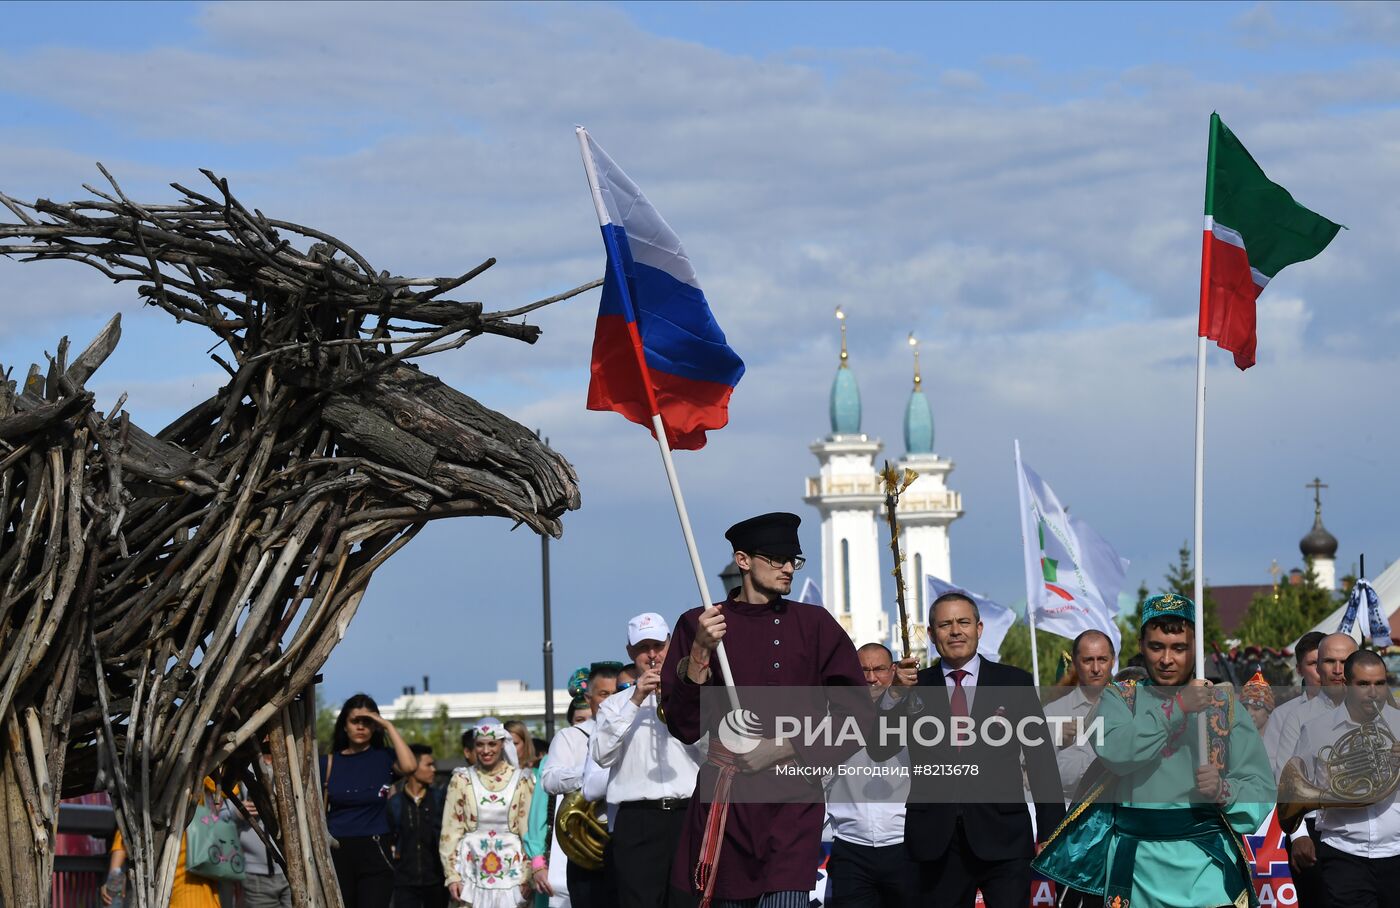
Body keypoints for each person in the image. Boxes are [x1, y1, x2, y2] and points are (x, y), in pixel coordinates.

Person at [660, 511, 869, 908]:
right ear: (743, 561)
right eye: (777, 559)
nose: (789, 568)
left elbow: (857, 716)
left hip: (793, 804)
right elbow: (684, 726)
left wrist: (783, 747)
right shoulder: (698, 623)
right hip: (725, 806)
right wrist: (701, 651)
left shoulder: (815, 624)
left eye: (794, 560)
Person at [1032, 594, 1275, 908]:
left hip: (1208, 872)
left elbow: (1261, 789)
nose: (1166, 659)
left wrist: (1224, 789)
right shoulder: (1119, 698)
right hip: (1135, 874)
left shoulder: (1225, 704)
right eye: (1156, 647)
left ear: (1195, 647)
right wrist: (1179, 707)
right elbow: (1118, 753)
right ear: (1141, 644)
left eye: (1179, 648)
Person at [875, 591, 1064, 908]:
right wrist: (894, 697)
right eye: (945, 624)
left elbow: (1041, 760)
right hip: (934, 842)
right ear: (932, 635)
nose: (955, 631)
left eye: (963, 622)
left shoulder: (1014, 683)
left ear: (979, 628)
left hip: (1004, 837)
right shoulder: (913, 687)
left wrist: (1051, 830)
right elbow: (881, 748)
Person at [586, 612, 703, 908]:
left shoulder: (693, 696)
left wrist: (683, 703)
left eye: (658, 646)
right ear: (630, 653)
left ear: (671, 644)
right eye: (642, 648)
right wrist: (635, 701)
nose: (651, 655)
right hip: (637, 820)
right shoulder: (614, 706)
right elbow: (601, 755)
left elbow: (712, 752)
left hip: (687, 814)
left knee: (690, 901)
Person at [1286, 650, 1400, 907]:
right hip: (1344, 852)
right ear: (1347, 685)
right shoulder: (1316, 730)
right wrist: (1298, 836)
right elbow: (1295, 787)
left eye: (1380, 683)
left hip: (1397, 850)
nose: (1373, 692)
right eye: (1363, 684)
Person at [825, 642, 916, 908]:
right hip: (850, 848)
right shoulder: (832, 717)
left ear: (895, 670)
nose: (871, 678)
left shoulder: (918, 714)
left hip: (906, 845)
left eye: (879, 669)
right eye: (862, 670)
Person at [1272, 631, 1358, 898]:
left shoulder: (1378, 712)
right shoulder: (1297, 717)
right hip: (1313, 834)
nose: (1337, 670)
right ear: (1318, 666)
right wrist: (1298, 836)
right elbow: (1285, 782)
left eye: (1344, 662)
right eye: (1328, 661)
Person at [321, 693, 419, 908]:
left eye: (367, 722)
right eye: (355, 721)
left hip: (376, 848)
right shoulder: (328, 763)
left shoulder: (384, 757)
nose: (361, 727)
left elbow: (411, 766)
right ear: (344, 725)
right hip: (339, 850)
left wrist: (388, 726)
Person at [541, 664, 621, 908]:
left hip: (625, 842)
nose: (610, 700)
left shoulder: (633, 730)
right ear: (589, 698)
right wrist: (588, 776)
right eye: (603, 694)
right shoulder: (571, 737)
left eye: (616, 693)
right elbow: (549, 779)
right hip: (586, 850)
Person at [440, 721, 543, 908]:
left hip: (512, 874)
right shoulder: (461, 779)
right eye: (480, 744)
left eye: (492, 744)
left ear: (503, 744)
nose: (486, 750)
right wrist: (452, 875)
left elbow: (528, 831)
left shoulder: (522, 779)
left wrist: (528, 875)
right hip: (470, 872)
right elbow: (450, 830)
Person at [103, 777, 225, 908]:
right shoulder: (144, 794)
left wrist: (114, 877)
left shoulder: (195, 778)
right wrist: (114, 878)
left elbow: (124, 835)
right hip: (166, 882)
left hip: (187, 880)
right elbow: (125, 835)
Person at [1043, 630, 1115, 801]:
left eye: (1102, 659)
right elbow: (1039, 776)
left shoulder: (1132, 707)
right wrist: (1057, 741)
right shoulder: (1052, 712)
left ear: (1113, 661)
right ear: (1075, 663)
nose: (1096, 668)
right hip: (1071, 816)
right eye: (1088, 660)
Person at [387, 744, 447, 908]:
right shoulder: (395, 804)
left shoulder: (439, 799)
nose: (433, 769)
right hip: (404, 884)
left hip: (436, 882)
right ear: (412, 766)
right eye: (428, 764)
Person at [1262, 631, 1326, 775]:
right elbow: (1270, 765)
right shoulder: (1281, 716)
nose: (1321, 670)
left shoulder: (1352, 708)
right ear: (1299, 670)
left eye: (1325, 661)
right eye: (1313, 663)